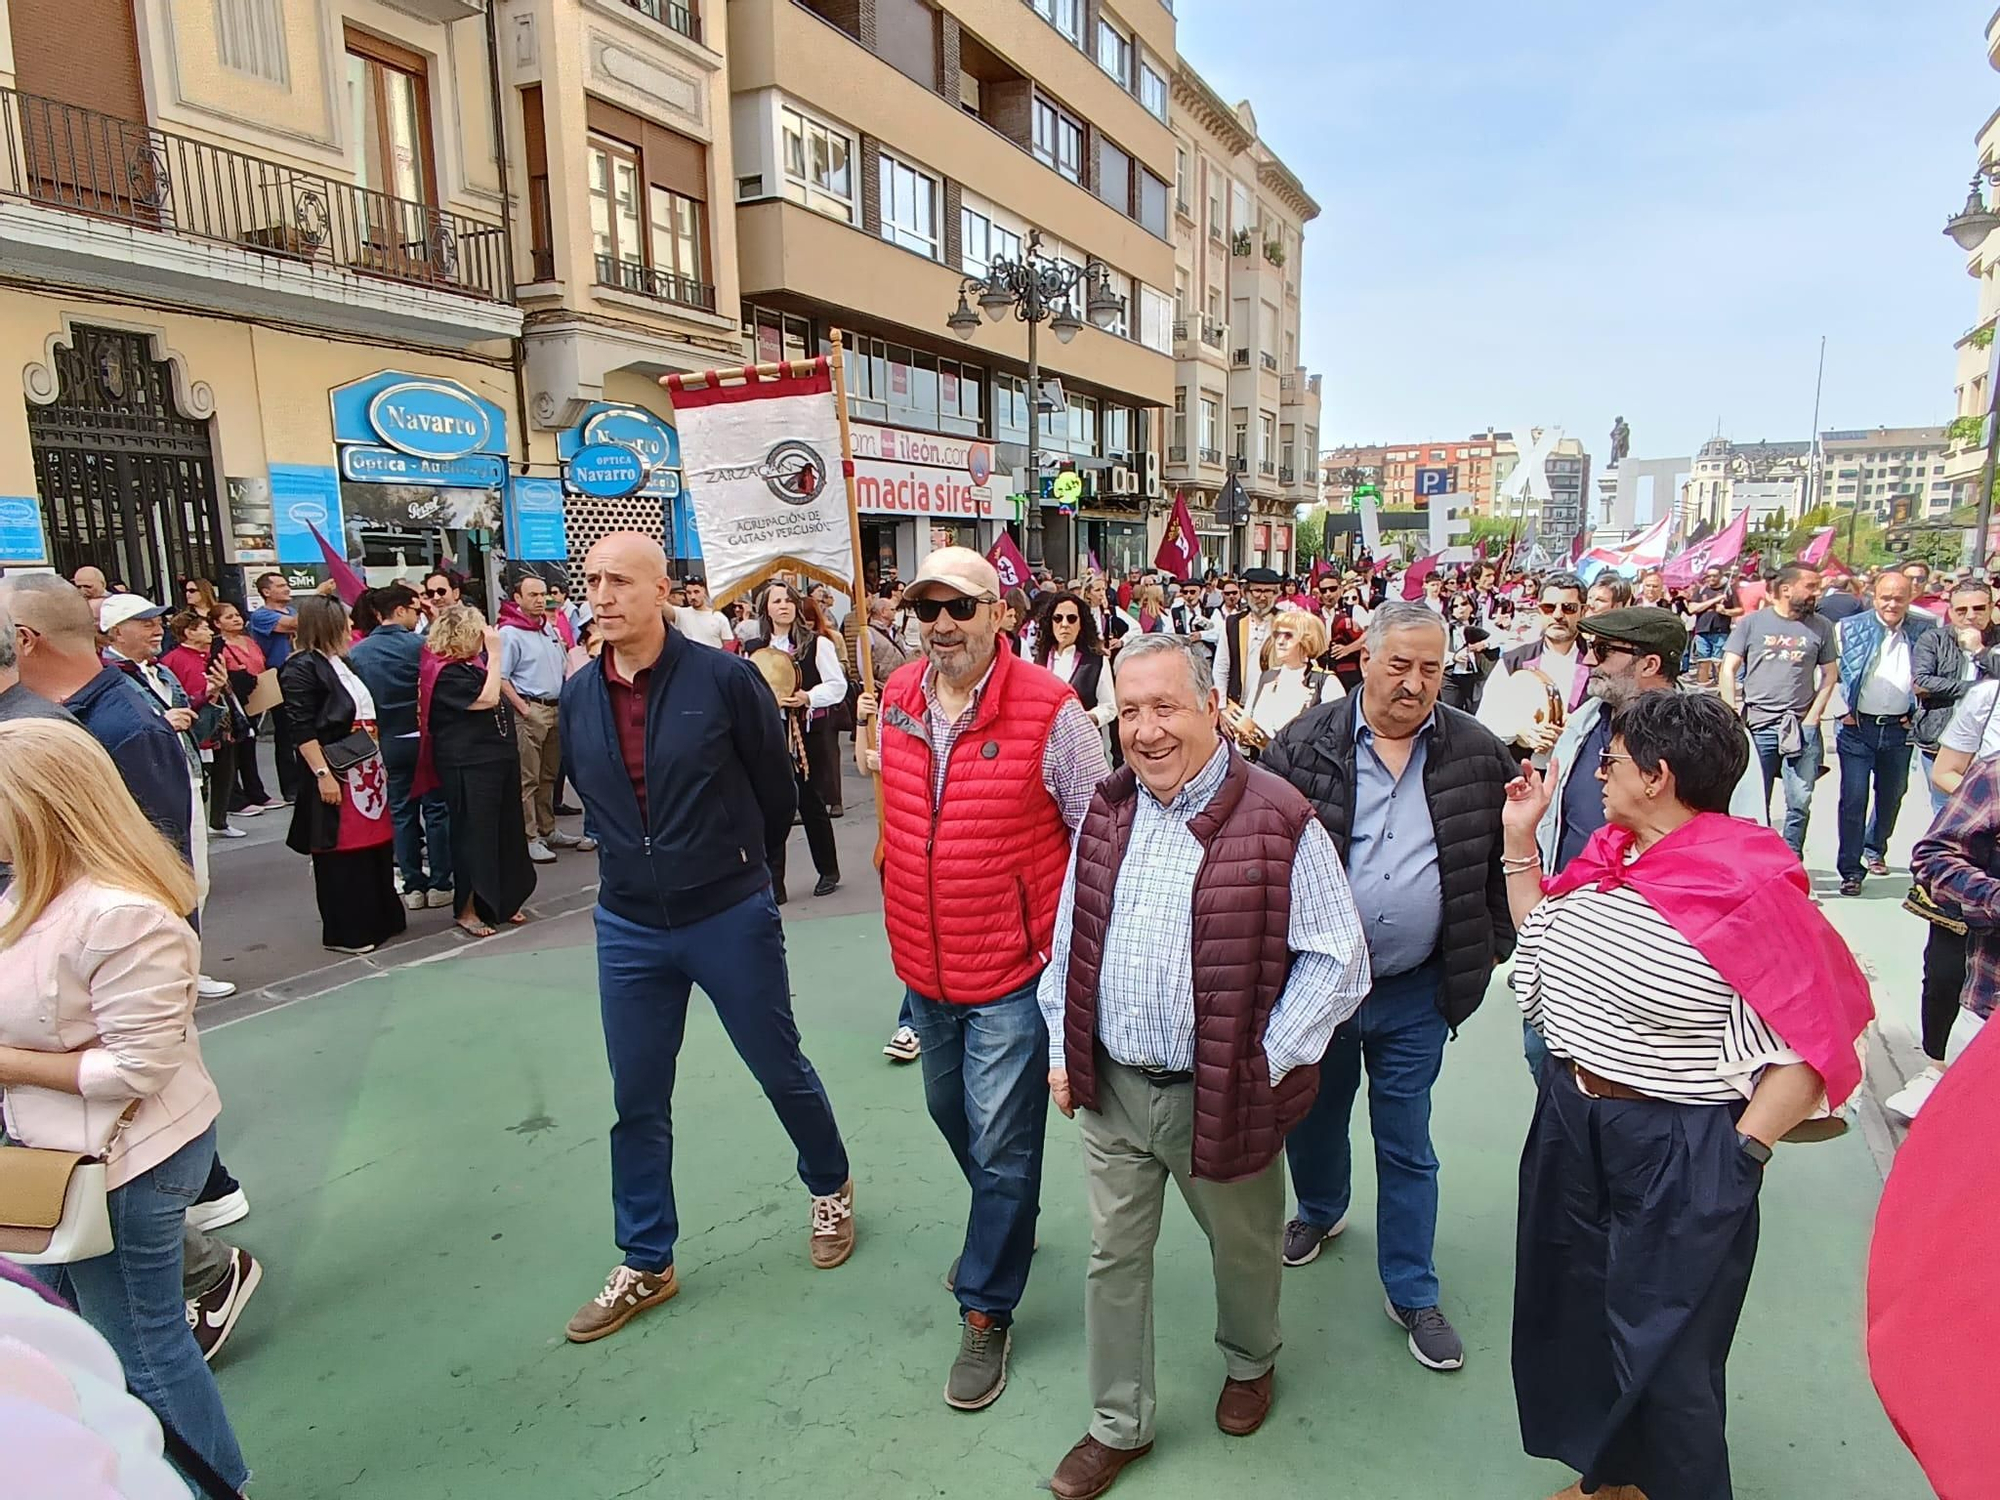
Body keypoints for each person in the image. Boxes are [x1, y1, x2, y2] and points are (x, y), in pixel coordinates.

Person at [1499, 692, 1871, 1500]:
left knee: (1667, 1351)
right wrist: (1518, 846)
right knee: (1576, 1311)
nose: (1599, 774)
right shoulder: (1613, 859)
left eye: (1612, 761)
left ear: (1658, 776)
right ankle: (1613, 1479)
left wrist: (1742, 1153)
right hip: (1573, 1120)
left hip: (1677, 1141)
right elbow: (1540, 951)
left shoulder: (1747, 887)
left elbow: (1812, 1040)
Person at [1036, 635, 1370, 1500]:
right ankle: (1119, 1422)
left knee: (1243, 1247)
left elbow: (1338, 960)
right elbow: (1072, 940)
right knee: (1114, 1257)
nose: (1145, 730)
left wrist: (1263, 1061)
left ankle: (1251, 1360)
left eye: (1165, 707)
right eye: (1130, 710)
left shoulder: (1278, 814)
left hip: (1220, 1091)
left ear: (1212, 709)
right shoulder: (1107, 810)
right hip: (1112, 1085)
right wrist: (1061, 1050)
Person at [558, 533, 854, 1343]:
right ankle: (647, 1258)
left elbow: (775, 789)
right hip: (628, 925)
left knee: (777, 1066)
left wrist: (742, 874)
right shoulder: (580, 693)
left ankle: (829, 1184)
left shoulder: (724, 680)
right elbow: (590, 791)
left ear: (664, 591)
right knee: (637, 1097)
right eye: (593, 581)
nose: (604, 594)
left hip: (727, 912)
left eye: (622, 580)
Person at [853, 547, 1108, 1411]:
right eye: (928, 609)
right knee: (947, 1111)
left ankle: (987, 1306)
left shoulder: (1052, 710)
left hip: (1011, 970)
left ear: (999, 613)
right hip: (923, 966)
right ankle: (1009, 1220)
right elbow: (899, 812)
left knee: (1003, 1145)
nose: (942, 626)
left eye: (960, 607)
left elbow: (1095, 832)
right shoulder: (895, 699)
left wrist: (1072, 957)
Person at [1259, 601, 1517, 1372]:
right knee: (1312, 1117)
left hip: (1415, 990)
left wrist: (1486, 947)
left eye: (1430, 668)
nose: (1412, 683)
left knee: (1407, 1142)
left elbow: (1505, 856)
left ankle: (1412, 1289)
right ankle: (1321, 1210)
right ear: (1362, 659)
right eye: (1398, 664)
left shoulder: (1477, 753)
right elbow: (1260, 862)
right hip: (1321, 988)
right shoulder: (1301, 747)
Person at [0, 717, 255, 1491]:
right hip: (66, 1153)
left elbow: (139, 1066)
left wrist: (10, 1063)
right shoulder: (36, 892)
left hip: (125, 1160)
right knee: (90, 1330)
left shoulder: (120, 913)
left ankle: (215, 1482)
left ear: (42, 807)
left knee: (140, 1342)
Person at [279, 595, 406, 955]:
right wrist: (322, 773)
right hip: (335, 764)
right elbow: (301, 728)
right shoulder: (302, 667)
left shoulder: (342, 662)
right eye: (345, 622)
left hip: (365, 761)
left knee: (374, 844)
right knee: (341, 847)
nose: (351, 628)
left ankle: (381, 916)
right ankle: (347, 928)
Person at [420, 605, 536, 937]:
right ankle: (468, 908)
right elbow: (485, 699)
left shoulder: (471, 667)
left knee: (505, 830)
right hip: (468, 763)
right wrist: (496, 655)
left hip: (497, 757)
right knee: (474, 835)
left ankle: (500, 900)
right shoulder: (446, 673)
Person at [349, 582, 455, 911]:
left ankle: (413, 884)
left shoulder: (357, 653)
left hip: (387, 740)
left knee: (401, 812)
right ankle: (440, 881)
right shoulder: (420, 645)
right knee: (436, 810)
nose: (416, 615)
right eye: (413, 609)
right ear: (399, 611)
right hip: (424, 736)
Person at [1721, 563, 1837, 857]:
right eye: (1810, 586)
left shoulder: (1821, 626)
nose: (1817, 592)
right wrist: (1731, 712)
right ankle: (1756, 859)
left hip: (1800, 727)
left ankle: (1791, 860)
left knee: (1800, 800)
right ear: (1787, 589)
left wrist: (1813, 717)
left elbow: (1830, 675)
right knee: (1756, 800)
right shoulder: (1753, 623)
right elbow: (1729, 668)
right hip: (1759, 724)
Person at [1830, 570, 1926, 896]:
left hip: (1899, 730)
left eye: (1899, 598)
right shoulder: (1849, 628)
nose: (1892, 604)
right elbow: (1830, 672)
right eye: (1886, 597)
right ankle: (1850, 870)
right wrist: (1841, 711)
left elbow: (1934, 674)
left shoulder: (1924, 630)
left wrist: (1918, 715)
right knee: (1854, 799)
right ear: (1873, 595)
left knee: (1892, 795)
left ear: (1910, 597)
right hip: (1858, 729)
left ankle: (1875, 848)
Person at [751, 579, 846, 900]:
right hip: (770, 734)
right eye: (776, 600)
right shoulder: (754, 648)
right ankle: (774, 883)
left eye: (788, 600)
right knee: (773, 807)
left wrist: (807, 697)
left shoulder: (817, 644)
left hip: (807, 732)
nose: (783, 605)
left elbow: (837, 685)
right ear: (766, 608)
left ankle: (828, 870)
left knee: (812, 804)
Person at [496, 573, 577, 866]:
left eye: (543, 595)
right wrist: (523, 708)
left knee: (549, 775)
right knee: (527, 779)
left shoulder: (548, 628)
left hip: (556, 708)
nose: (541, 600)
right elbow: (501, 678)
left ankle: (548, 828)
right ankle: (530, 837)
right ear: (517, 599)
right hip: (531, 709)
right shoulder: (510, 633)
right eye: (533, 595)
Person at [1480, 571, 1592, 763]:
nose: (1558, 615)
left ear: (1583, 611)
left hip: (1580, 771)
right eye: (1549, 607)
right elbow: (1484, 721)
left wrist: (1574, 729)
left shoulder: (1599, 664)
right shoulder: (1513, 661)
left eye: (1568, 608)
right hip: (1524, 772)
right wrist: (1521, 731)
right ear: (1540, 611)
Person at [1912, 578, 2000, 817]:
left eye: (1979, 608)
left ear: (1992, 608)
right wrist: (1977, 690)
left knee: (1988, 813)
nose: (1970, 616)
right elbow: (1922, 681)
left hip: (1989, 748)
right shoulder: (1934, 639)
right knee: (1948, 813)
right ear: (1951, 612)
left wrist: (1980, 651)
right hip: (1941, 739)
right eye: (1962, 610)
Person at [159, 611, 244, 843]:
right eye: (204, 628)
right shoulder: (173, 660)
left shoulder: (211, 656)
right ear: (189, 632)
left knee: (225, 773)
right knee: (201, 778)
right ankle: (198, 821)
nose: (209, 632)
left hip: (220, 721)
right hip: (195, 721)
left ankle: (219, 819)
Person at [1228, 609, 1339, 754]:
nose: (1280, 641)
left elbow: (1337, 738)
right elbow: (1247, 728)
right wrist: (1243, 741)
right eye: (1277, 635)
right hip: (1262, 768)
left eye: (1288, 636)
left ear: (1307, 641)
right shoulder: (1264, 678)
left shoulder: (1327, 683)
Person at [210, 600, 279, 814]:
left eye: (237, 615)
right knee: (236, 749)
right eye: (229, 617)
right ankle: (236, 797)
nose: (236, 619)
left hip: (256, 694)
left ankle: (256, 792)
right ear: (216, 623)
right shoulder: (218, 645)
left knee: (250, 746)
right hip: (233, 697)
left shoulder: (249, 641)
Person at [246, 571, 301, 801]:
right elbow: (291, 625)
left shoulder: (293, 610)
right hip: (277, 674)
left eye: (287, 584)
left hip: (299, 670)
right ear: (266, 592)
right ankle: (291, 788)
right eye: (280, 585)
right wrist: (318, 598)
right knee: (286, 733)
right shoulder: (261, 615)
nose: (287, 588)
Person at [1034, 590, 1117, 732]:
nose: (1064, 624)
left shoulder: (1096, 662)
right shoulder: (1039, 660)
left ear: (1081, 624)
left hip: (1083, 744)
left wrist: (1086, 719)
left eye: (1071, 618)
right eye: (1058, 618)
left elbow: (1109, 707)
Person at [1214, 567, 1284, 707]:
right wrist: (1221, 706)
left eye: (1267, 591)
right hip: (1239, 706)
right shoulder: (1232, 624)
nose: (1262, 597)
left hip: (1275, 705)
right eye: (1257, 591)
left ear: (1276, 594)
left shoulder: (1286, 622)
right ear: (1245, 593)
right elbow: (1221, 668)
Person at [1440, 592, 1495, 713]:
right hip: (1451, 677)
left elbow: (1500, 640)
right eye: (1456, 606)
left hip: (1475, 677)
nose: (1460, 608)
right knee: (1451, 713)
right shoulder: (1445, 628)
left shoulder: (1482, 625)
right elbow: (1437, 651)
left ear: (1471, 606)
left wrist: (1484, 644)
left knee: (1474, 714)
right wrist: (1454, 657)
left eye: (1464, 604)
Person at [1687, 565, 1742, 683]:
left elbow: (1739, 610)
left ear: (1721, 576)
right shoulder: (1700, 591)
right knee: (1703, 663)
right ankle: (1702, 691)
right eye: (1709, 576)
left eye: (1714, 576)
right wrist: (1715, 600)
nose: (1711, 578)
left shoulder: (1728, 591)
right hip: (1702, 631)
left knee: (1719, 664)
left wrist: (1725, 611)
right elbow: (1692, 609)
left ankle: (1721, 691)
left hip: (1721, 632)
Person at [675, 576, 734, 651]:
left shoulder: (719, 617)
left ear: (704, 591)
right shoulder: (681, 613)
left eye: (696, 592)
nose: (692, 596)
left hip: (714, 660)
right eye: (689, 593)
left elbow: (729, 649)